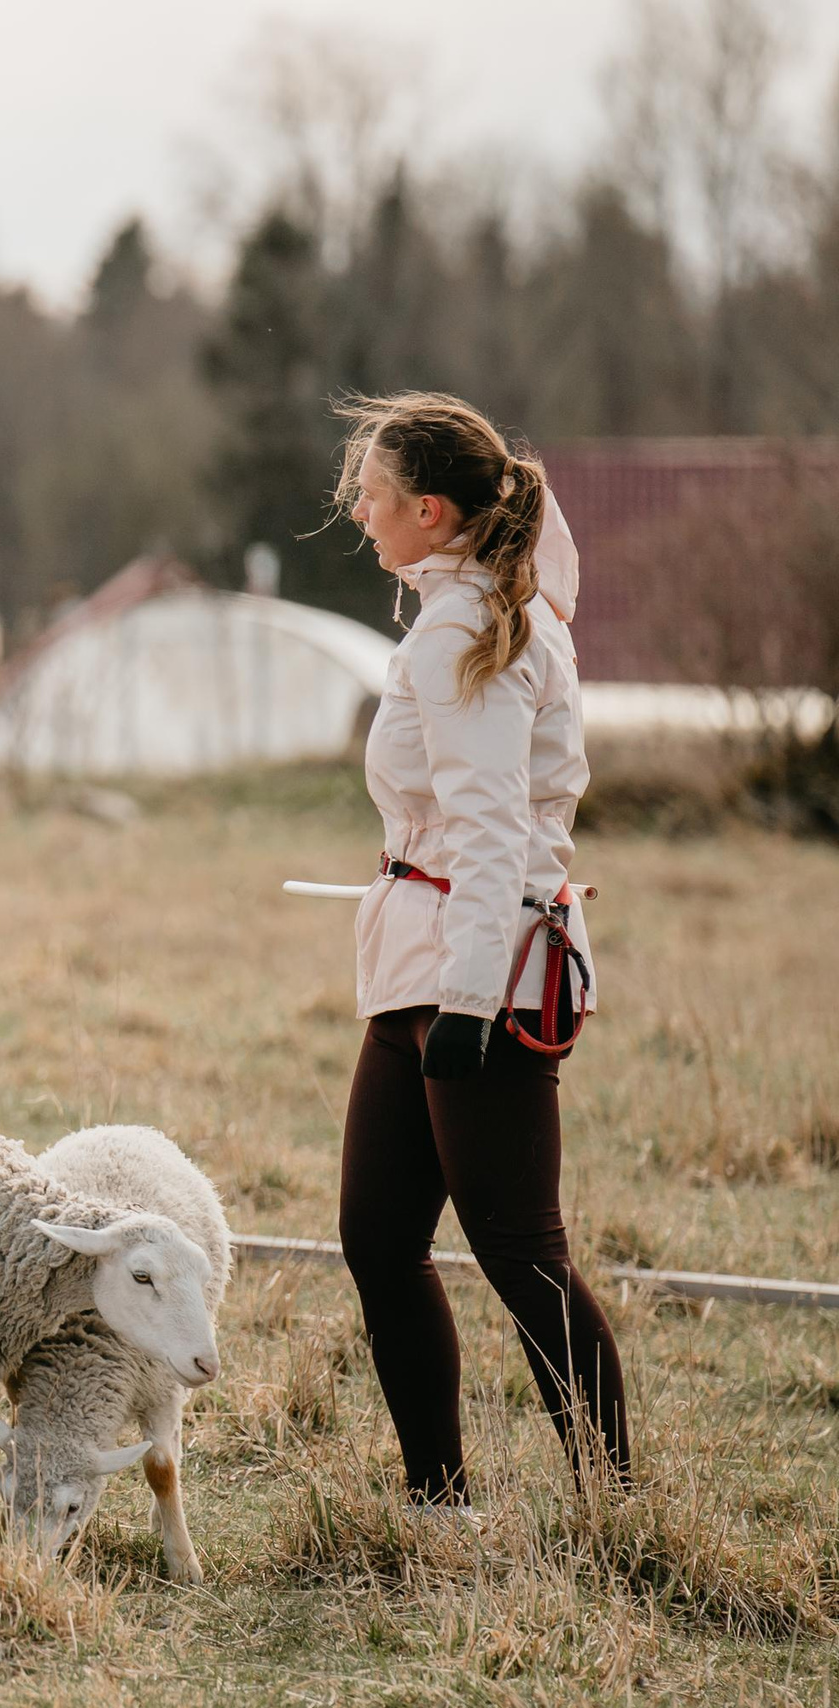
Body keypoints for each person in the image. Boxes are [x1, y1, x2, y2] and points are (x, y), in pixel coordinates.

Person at [330, 391, 630, 1511]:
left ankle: (614, 1499)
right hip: (423, 965)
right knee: (376, 1236)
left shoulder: (470, 626)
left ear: (429, 508)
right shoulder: (459, 608)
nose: (357, 510)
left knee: (518, 1252)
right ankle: (438, 1499)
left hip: (481, 974)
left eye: (370, 493)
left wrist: (466, 1000)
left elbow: (491, 819)